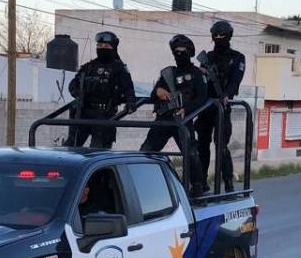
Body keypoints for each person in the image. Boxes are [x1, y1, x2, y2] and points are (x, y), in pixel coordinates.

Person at [141, 35, 207, 190]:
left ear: (189, 52)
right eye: (176, 51)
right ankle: (141, 183)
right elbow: (153, 94)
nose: (179, 54)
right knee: (146, 152)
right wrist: (158, 91)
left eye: (182, 50)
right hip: (164, 119)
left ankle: (198, 187)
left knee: (191, 154)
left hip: (183, 119)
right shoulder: (168, 73)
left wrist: (187, 109)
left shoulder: (197, 74)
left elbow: (202, 98)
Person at [195, 20, 246, 193]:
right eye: (215, 35)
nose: (218, 38)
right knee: (202, 145)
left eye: (222, 35)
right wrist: (202, 74)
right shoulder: (207, 58)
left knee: (221, 145)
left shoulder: (238, 57)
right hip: (206, 107)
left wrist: (226, 95)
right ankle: (201, 182)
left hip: (222, 107)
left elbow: (235, 81)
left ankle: (228, 183)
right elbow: (201, 83)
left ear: (229, 36)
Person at [66, 31, 135, 149]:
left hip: (105, 114)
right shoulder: (88, 67)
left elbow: (128, 88)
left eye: (106, 46)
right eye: (99, 45)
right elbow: (73, 85)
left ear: (113, 48)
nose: (102, 48)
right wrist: (78, 94)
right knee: (71, 147)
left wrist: (130, 102)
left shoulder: (119, 68)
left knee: (98, 150)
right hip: (83, 113)